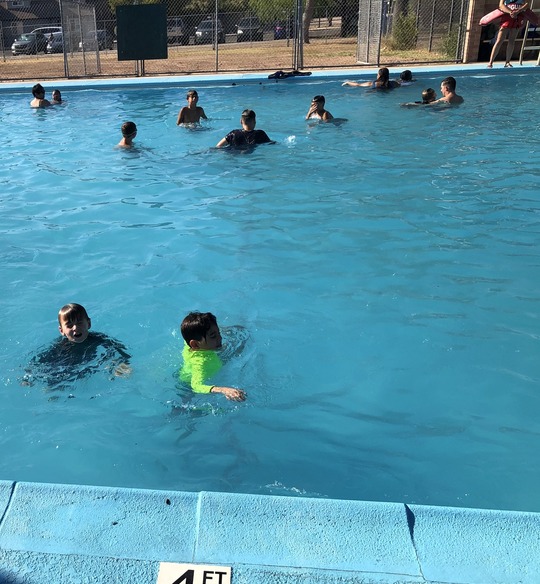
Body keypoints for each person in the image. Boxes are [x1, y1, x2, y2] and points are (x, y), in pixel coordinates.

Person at [22, 303, 131, 390]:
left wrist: (122, 362)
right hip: (66, 368)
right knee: (54, 383)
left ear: (88, 323)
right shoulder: (60, 346)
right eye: (69, 325)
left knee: (110, 364)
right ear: (61, 331)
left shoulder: (98, 339)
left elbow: (118, 348)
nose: (75, 328)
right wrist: (28, 376)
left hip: (88, 365)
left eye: (79, 323)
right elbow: (40, 360)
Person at [179, 311, 246, 401]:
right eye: (213, 336)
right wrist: (223, 390)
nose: (220, 338)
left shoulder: (191, 343)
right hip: (188, 387)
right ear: (195, 344)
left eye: (218, 332)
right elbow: (196, 386)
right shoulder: (200, 362)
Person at [486, 0, 535, 67]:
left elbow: (527, 4)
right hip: (506, 17)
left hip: (517, 17)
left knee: (512, 40)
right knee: (499, 40)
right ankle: (490, 62)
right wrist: (510, 12)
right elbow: (501, 5)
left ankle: (507, 62)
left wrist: (518, 11)